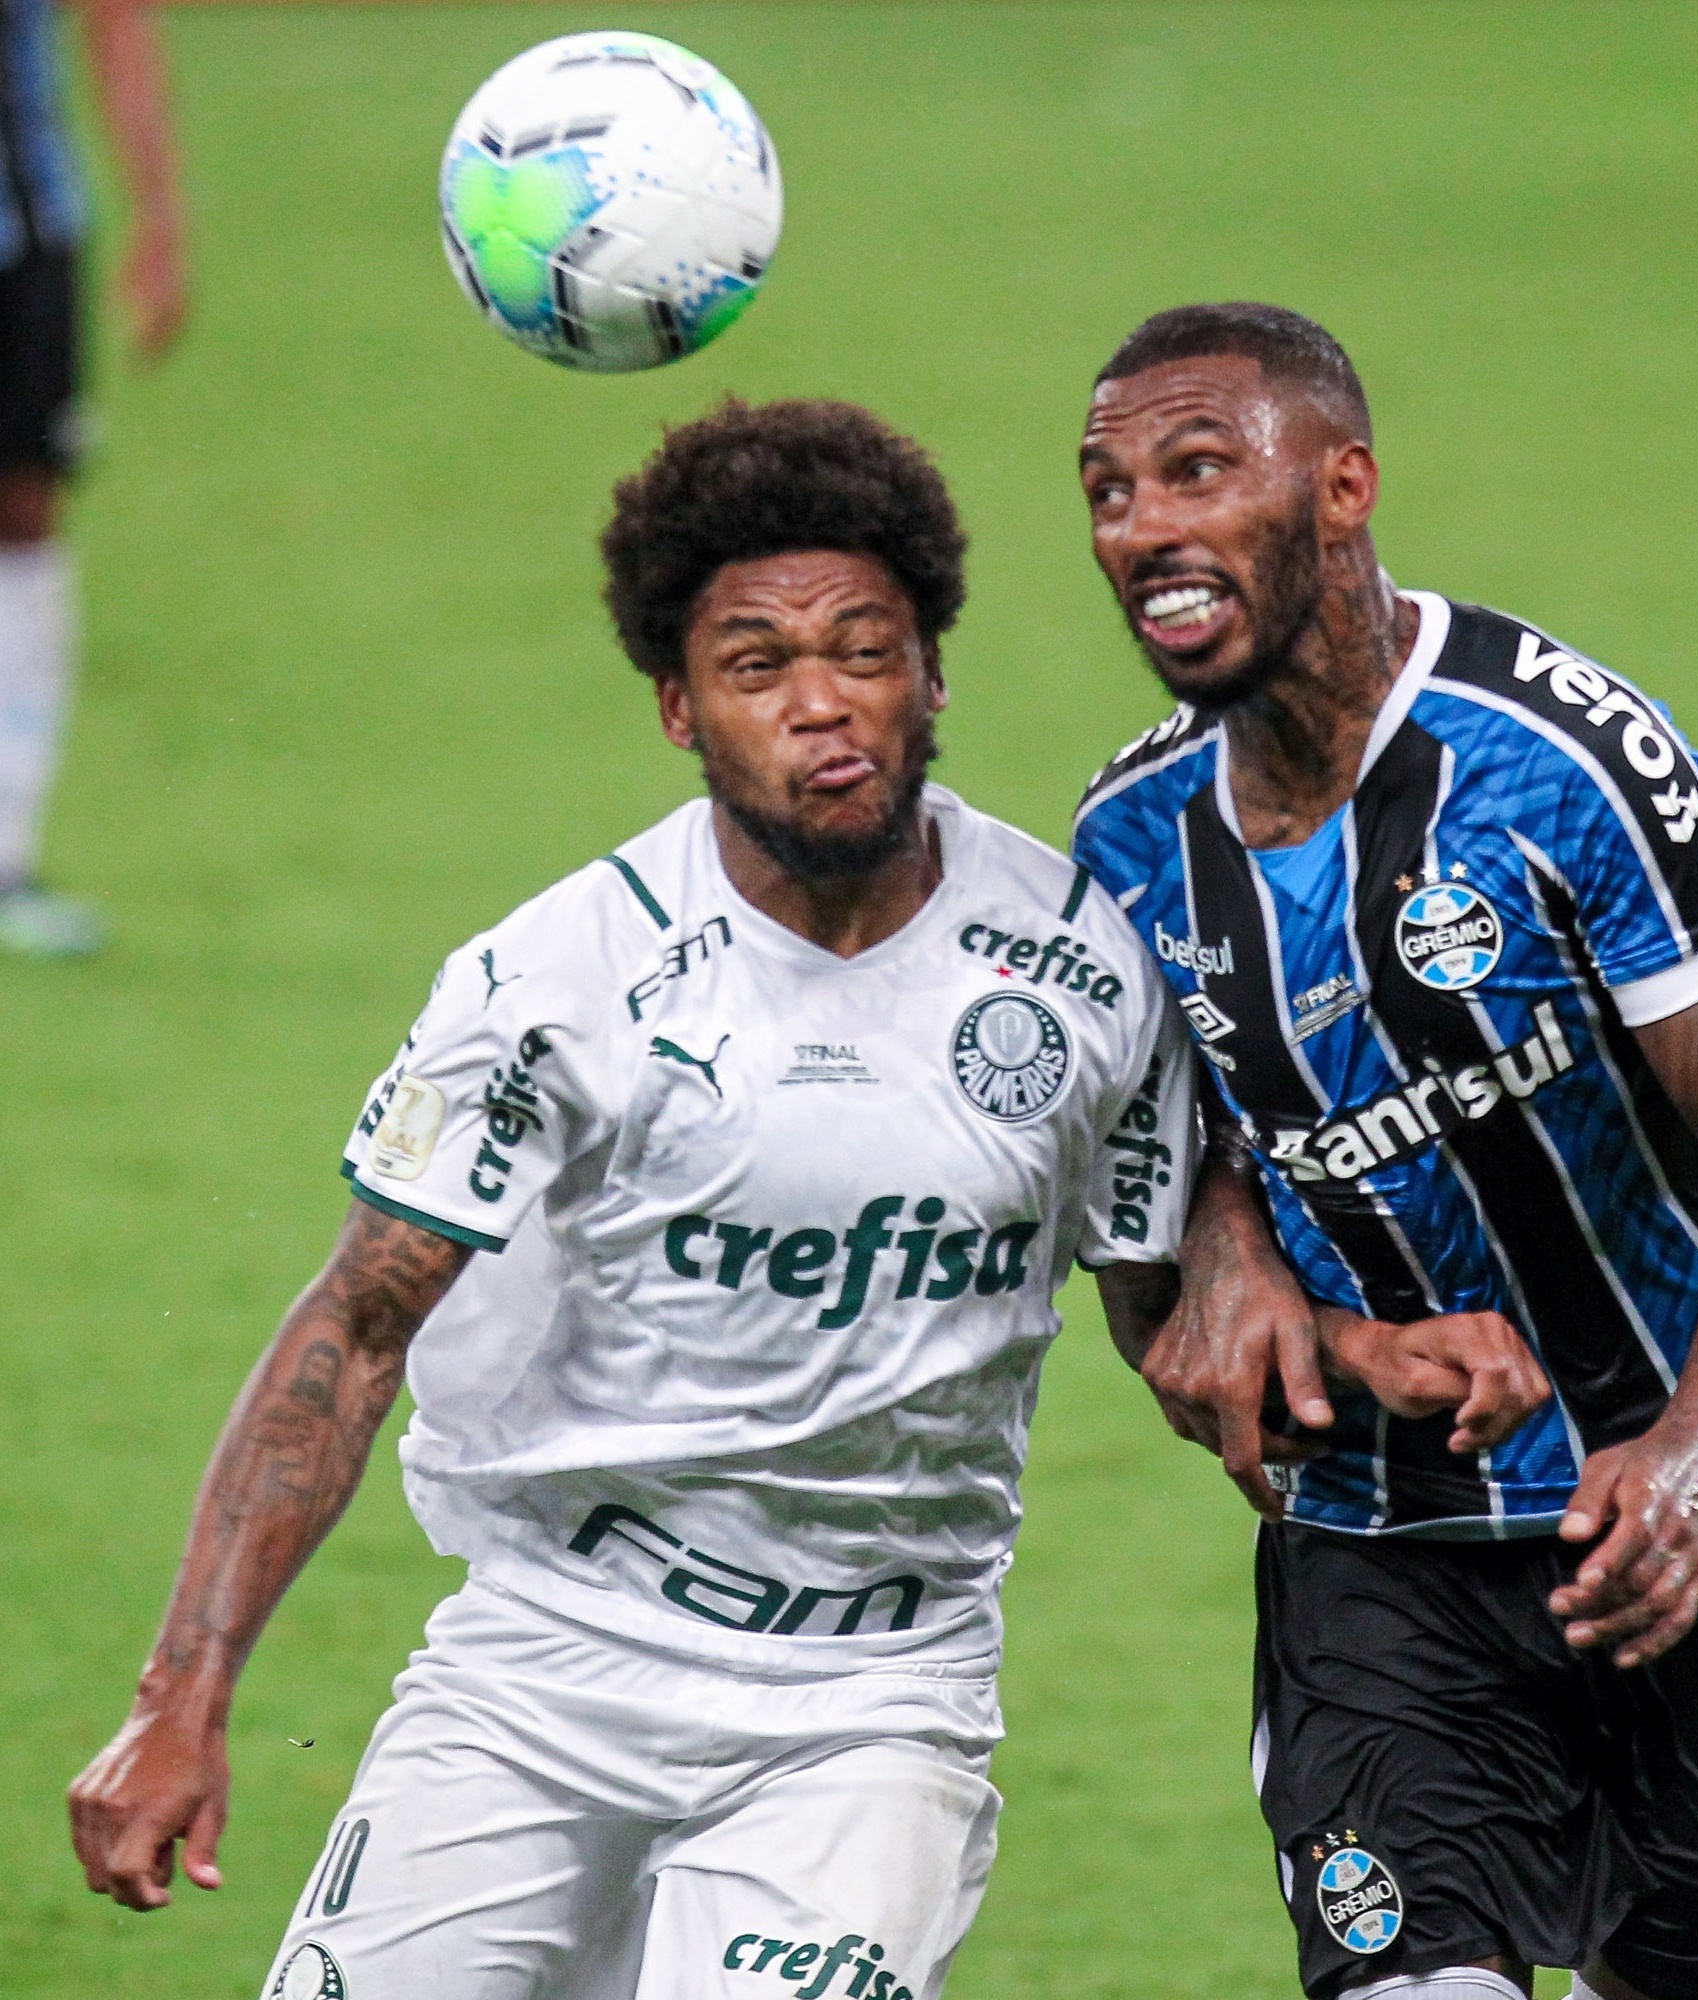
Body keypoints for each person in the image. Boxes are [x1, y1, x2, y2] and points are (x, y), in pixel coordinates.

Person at [66, 397, 1545, 2000]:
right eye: (759, 666)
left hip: (872, 1697)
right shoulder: (552, 981)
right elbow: (352, 1331)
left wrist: (1356, 1352)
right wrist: (183, 1693)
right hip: (548, 1659)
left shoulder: (1081, 965)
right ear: (678, 709)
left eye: (864, 649)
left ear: (932, 674)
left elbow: (1164, 1323)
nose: (823, 706)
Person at [1069, 304, 1698, 2000]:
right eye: (1103, 491)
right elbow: (1158, 1292)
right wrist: (1229, 1267)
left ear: (1342, 487)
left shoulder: (1556, 760)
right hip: (1385, 1559)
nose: (1140, 526)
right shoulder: (1124, 849)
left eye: (1193, 470)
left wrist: (1682, 1452)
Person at [1, 0, 186, 956]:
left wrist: (157, 210)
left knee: (26, 511)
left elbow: (114, 19)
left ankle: (7, 854)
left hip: (28, 228)